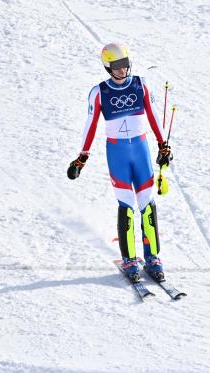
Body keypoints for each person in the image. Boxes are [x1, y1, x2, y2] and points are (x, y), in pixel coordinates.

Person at [67, 42, 173, 282]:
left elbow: (154, 115)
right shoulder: (99, 92)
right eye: (116, 66)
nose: (122, 70)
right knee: (126, 205)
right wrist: (82, 157)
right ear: (108, 67)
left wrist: (162, 144)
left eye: (124, 64)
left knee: (147, 202)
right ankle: (129, 259)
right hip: (117, 153)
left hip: (141, 149)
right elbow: (91, 125)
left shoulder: (141, 85)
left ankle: (153, 257)